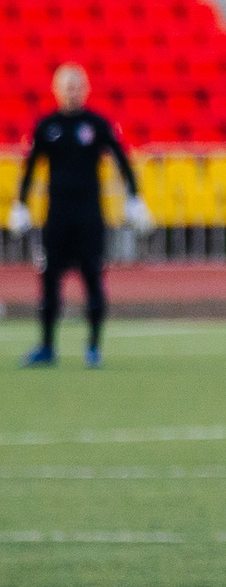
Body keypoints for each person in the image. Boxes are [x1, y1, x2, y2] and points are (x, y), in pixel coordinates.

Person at [11, 63, 151, 369]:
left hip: (89, 216)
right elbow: (31, 167)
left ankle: (94, 347)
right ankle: (47, 347)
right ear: (56, 90)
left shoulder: (96, 124)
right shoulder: (47, 126)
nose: (72, 93)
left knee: (93, 278)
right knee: (50, 281)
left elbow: (121, 159)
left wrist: (134, 198)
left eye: (76, 87)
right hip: (57, 216)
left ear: (85, 90)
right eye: (67, 87)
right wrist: (20, 204)